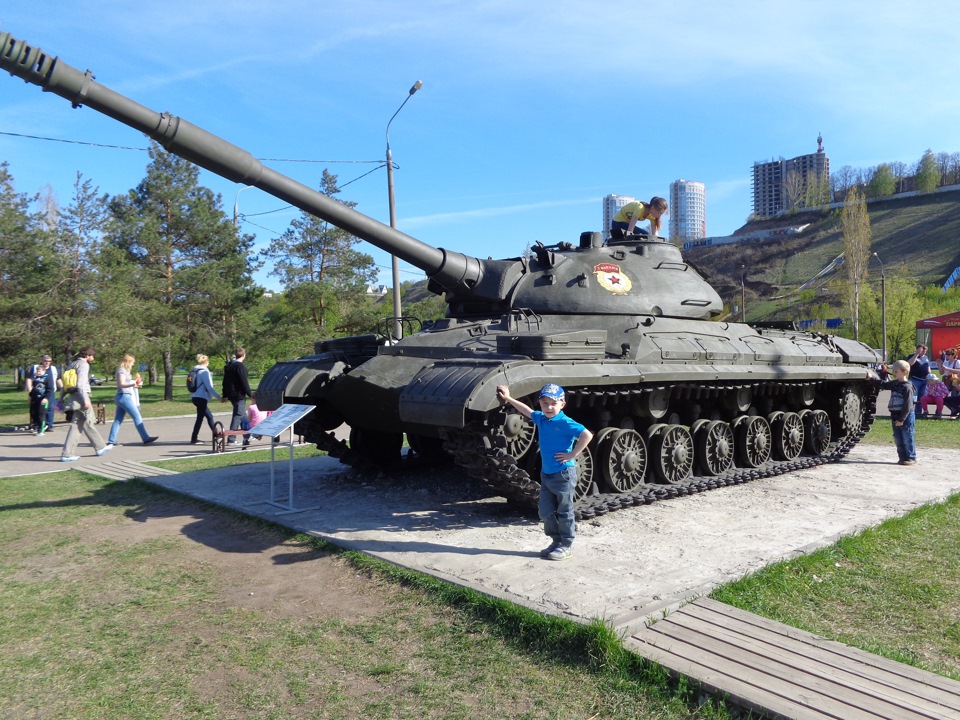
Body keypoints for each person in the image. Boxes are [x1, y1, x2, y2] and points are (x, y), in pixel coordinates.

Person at [496, 383, 593, 561]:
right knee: (546, 511)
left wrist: (573, 454)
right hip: (546, 474)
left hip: (563, 473)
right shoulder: (541, 418)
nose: (548, 407)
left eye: (553, 403)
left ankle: (566, 545)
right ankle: (556, 541)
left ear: (562, 404)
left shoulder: (565, 422)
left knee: (564, 510)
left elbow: (587, 435)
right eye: (544, 403)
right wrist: (508, 398)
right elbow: (526, 411)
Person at [60, 346, 112, 462]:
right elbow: (81, 384)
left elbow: (65, 384)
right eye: (92, 355)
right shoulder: (84, 365)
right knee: (79, 424)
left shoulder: (72, 364)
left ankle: (100, 447)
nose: (93, 358)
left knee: (83, 423)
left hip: (73, 397)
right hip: (81, 398)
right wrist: (86, 400)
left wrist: (60, 398)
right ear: (87, 355)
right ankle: (67, 454)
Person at [869, 359, 916, 465]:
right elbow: (884, 384)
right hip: (895, 414)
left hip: (905, 416)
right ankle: (902, 457)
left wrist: (901, 419)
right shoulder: (895, 383)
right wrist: (871, 379)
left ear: (904, 372)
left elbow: (908, 405)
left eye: (896, 371)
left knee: (907, 437)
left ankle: (911, 457)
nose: (894, 373)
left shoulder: (907, 387)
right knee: (898, 438)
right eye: (894, 371)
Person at [107, 354, 158, 446]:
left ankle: (111, 440)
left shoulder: (125, 371)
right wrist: (133, 384)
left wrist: (135, 383)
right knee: (137, 417)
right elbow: (121, 384)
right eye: (132, 362)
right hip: (124, 396)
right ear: (128, 362)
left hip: (122, 396)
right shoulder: (121, 371)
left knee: (118, 420)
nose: (133, 364)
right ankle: (145, 438)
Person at [221, 347, 252, 445]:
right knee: (238, 415)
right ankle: (231, 438)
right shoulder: (240, 366)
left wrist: (225, 394)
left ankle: (247, 436)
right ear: (244, 355)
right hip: (239, 394)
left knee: (242, 415)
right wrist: (250, 394)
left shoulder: (228, 366)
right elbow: (244, 382)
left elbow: (225, 382)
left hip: (231, 394)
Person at [189, 354, 221, 445]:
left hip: (194, 396)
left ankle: (215, 435)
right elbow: (210, 388)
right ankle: (195, 438)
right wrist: (219, 397)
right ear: (206, 362)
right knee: (201, 418)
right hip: (201, 397)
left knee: (208, 416)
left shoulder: (195, 370)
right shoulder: (204, 372)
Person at [25, 354, 59, 435]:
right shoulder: (35, 368)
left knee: (49, 409)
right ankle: (36, 425)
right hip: (35, 394)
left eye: (49, 361)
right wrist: (30, 390)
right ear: (42, 360)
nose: (47, 362)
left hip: (48, 394)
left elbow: (57, 379)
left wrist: (63, 389)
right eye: (45, 361)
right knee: (35, 411)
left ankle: (48, 425)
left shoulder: (53, 369)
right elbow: (29, 379)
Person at [906, 344, 930, 419]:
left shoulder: (925, 357)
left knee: (921, 397)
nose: (923, 352)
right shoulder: (912, 356)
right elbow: (909, 364)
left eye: (925, 351)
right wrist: (917, 354)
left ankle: (918, 413)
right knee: (913, 396)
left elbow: (928, 367)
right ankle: (910, 412)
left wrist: (930, 375)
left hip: (924, 380)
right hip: (915, 379)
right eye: (922, 351)